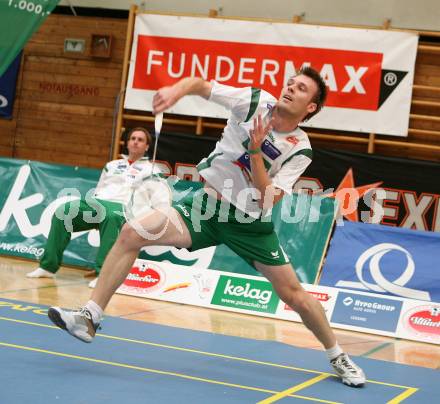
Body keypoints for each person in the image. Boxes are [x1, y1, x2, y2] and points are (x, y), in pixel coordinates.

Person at [48, 67, 366, 387]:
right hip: (204, 208)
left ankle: (338, 355)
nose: (290, 89)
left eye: (301, 89)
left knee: (295, 295)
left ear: (311, 107)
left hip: (248, 223)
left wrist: (255, 152)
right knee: (132, 233)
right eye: (291, 83)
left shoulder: (299, 148)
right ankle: (89, 318)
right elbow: (201, 85)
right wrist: (175, 91)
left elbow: (267, 198)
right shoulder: (254, 101)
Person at [27, 127, 161, 285]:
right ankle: (48, 266)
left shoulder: (152, 170)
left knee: (111, 216)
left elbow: (155, 200)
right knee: (64, 211)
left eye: (140, 140)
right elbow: (99, 189)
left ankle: (103, 275)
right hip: (98, 203)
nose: (135, 142)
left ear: (147, 147)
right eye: (133, 138)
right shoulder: (112, 165)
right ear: (127, 143)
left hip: (123, 208)